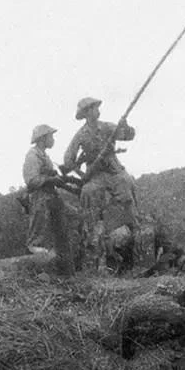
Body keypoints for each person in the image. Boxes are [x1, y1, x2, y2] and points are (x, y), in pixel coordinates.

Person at [61, 97, 138, 272]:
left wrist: (124, 126)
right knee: (88, 192)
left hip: (114, 170)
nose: (97, 110)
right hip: (95, 175)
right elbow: (68, 159)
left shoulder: (108, 126)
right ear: (87, 113)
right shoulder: (81, 134)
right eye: (94, 108)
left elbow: (129, 136)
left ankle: (134, 230)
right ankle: (92, 242)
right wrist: (81, 173)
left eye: (96, 107)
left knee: (127, 183)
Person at [22, 125, 70, 260]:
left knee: (64, 219)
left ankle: (61, 251)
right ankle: (34, 246)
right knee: (39, 220)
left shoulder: (44, 156)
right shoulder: (33, 155)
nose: (53, 139)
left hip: (50, 194)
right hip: (39, 195)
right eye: (51, 136)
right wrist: (50, 179)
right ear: (43, 138)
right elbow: (31, 180)